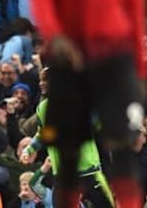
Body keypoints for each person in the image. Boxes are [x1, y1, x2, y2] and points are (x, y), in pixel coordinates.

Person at [27, 0, 147, 208]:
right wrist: (56, 36)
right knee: (67, 158)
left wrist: (140, 70)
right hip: (71, 59)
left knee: (124, 149)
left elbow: (136, 12)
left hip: (114, 60)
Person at [21, 67, 114, 207]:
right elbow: (43, 134)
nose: (41, 83)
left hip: (89, 171)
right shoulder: (43, 108)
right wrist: (29, 150)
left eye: (46, 80)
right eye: (40, 80)